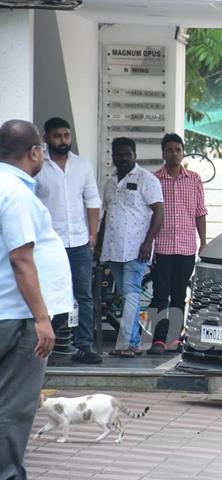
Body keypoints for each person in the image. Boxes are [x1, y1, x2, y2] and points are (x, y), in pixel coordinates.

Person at [0, 119, 72, 478]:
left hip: (8, 312)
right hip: (17, 315)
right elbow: (21, 258)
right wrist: (42, 318)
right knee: (15, 406)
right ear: (33, 152)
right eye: (41, 147)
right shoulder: (15, 194)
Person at [35, 117, 102, 364]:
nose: (62, 141)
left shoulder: (82, 165)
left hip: (80, 242)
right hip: (49, 244)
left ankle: (84, 346)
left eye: (66, 135)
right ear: (46, 138)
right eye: (57, 136)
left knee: (83, 294)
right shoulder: (38, 165)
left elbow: (92, 200)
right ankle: (42, 345)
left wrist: (93, 234)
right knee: (50, 295)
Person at [100, 137, 164, 358]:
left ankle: (129, 344)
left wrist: (148, 242)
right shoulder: (110, 183)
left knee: (131, 294)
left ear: (135, 155)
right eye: (119, 154)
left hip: (137, 248)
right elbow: (107, 216)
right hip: (113, 249)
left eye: (128, 154)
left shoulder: (147, 179)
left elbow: (159, 212)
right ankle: (130, 340)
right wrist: (99, 248)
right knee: (126, 294)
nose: (123, 158)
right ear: (113, 156)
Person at [147, 133, 208, 355]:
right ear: (163, 153)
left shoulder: (194, 179)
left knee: (179, 295)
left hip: (185, 247)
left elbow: (200, 212)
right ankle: (158, 340)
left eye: (178, 150)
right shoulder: (153, 179)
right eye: (169, 150)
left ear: (183, 152)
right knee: (160, 295)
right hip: (161, 247)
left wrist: (203, 241)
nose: (174, 153)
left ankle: (174, 339)